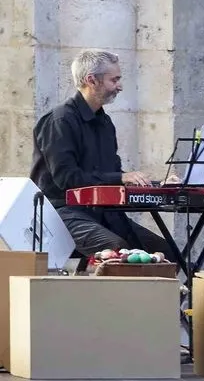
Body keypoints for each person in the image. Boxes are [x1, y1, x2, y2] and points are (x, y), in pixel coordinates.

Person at [31, 49, 174, 258]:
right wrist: (121, 178)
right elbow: (67, 179)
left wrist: (158, 185)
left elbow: (112, 175)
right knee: (117, 249)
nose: (120, 86)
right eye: (114, 80)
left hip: (102, 212)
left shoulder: (105, 123)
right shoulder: (60, 120)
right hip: (62, 213)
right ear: (92, 80)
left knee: (167, 251)